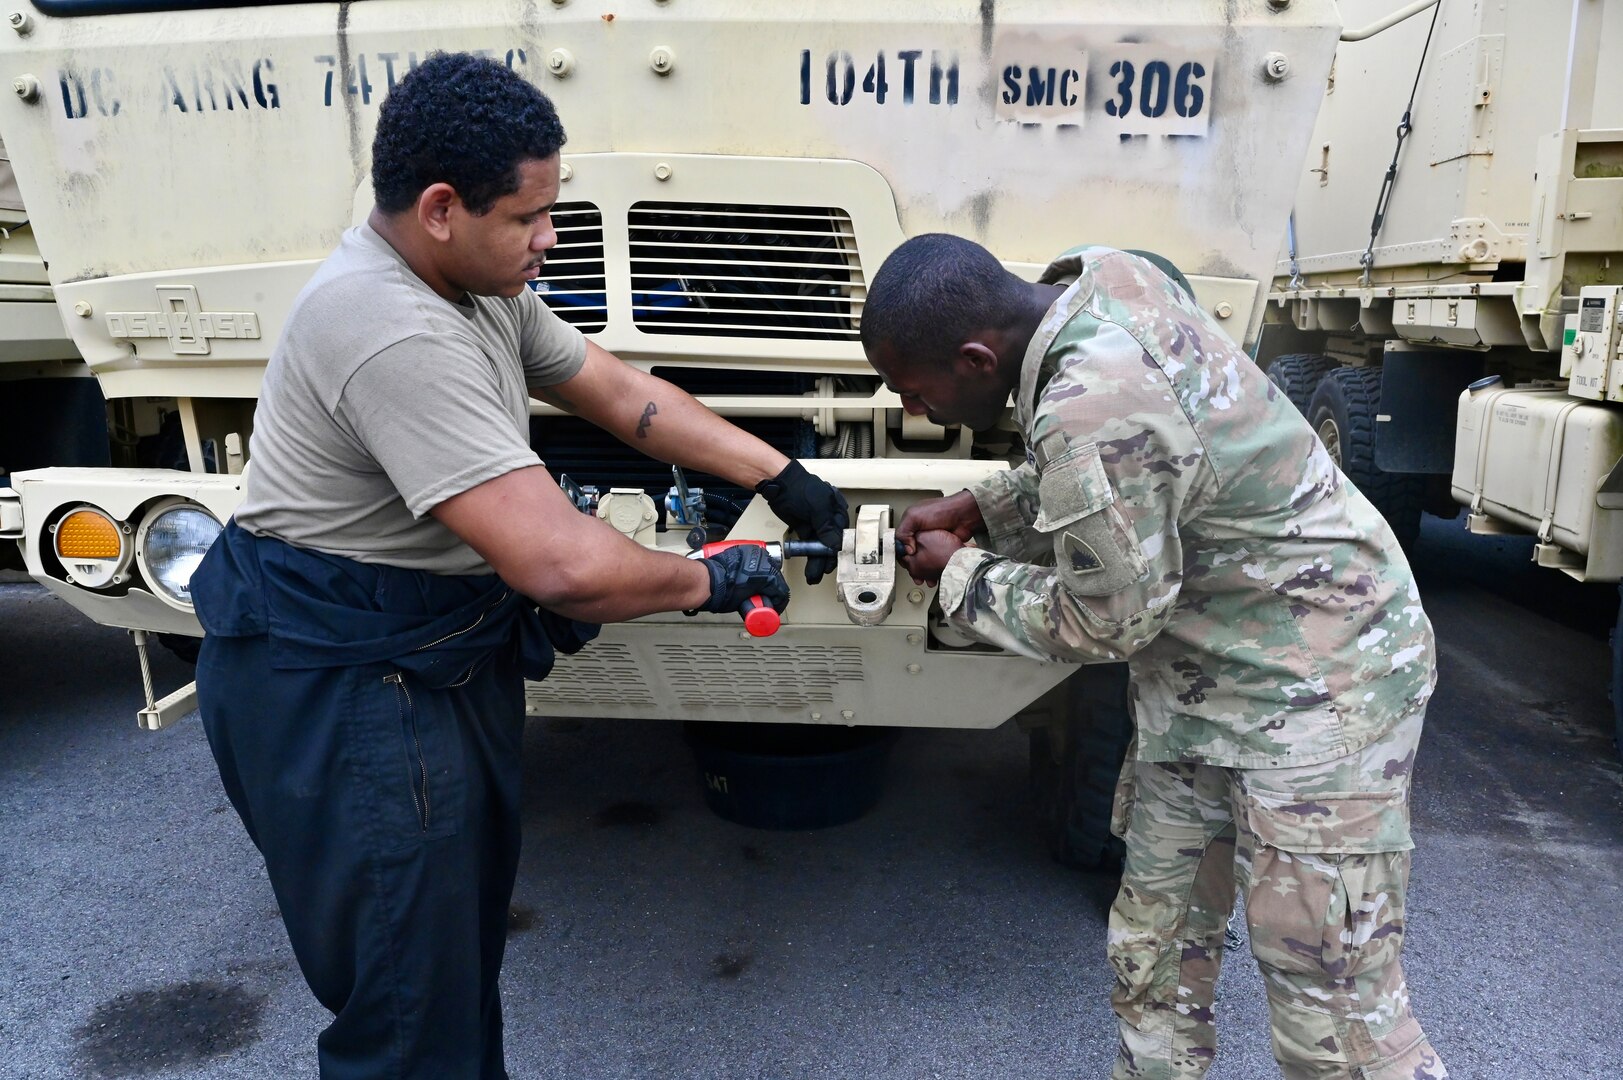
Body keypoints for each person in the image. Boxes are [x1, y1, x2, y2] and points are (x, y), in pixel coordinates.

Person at [191, 52, 847, 1080]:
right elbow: (561, 564)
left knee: (447, 980)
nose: (550, 238)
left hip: (419, 659)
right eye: (531, 217)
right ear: (442, 206)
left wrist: (783, 471)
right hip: (346, 689)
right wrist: (716, 577)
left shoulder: (474, 280)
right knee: (410, 1024)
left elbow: (615, 389)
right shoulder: (387, 325)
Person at [859, 234, 1445, 1080]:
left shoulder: (1089, 400)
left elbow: (1103, 623)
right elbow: (1127, 462)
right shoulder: (1098, 280)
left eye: (916, 391)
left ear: (976, 358)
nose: (918, 411)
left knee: (1336, 1021)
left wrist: (961, 576)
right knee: (1154, 958)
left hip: (1322, 693)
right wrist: (980, 504)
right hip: (1200, 687)